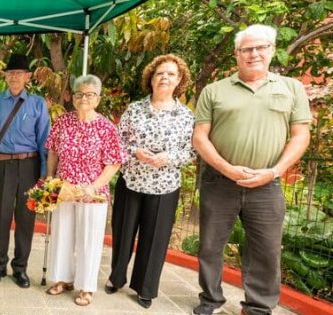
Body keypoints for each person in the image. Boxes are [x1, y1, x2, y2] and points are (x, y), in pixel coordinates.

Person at [191, 24, 311, 315]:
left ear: (272, 50)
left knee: (266, 250)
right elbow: (199, 137)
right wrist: (227, 168)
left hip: (267, 184)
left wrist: (275, 171)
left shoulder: (291, 88)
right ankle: (211, 300)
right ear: (236, 54)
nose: (254, 54)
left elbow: (300, 135)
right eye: (247, 49)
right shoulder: (215, 90)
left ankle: (257, 307)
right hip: (220, 181)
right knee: (209, 245)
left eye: (260, 47)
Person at [106, 54, 196, 309]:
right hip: (132, 181)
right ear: (151, 78)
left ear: (179, 80)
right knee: (123, 233)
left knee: (154, 238)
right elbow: (118, 141)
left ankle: (145, 288)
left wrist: (168, 157)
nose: (164, 78)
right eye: (160, 73)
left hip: (164, 186)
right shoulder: (134, 108)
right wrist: (136, 152)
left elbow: (191, 150)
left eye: (170, 74)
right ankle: (117, 278)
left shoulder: (186, 116)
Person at [43, 74, 124, 306]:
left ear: (98, 99)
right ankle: (62, 279)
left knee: (89, 239)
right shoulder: (63, 122)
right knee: (62, 234)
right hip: (64, 189)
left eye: (89, 94)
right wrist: (51, 179)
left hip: (92, 193)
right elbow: (53, 152)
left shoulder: (106, 127)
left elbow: (114, 163)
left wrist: (93, 186)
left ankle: (86, 287)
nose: (84, 98)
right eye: (79, 94)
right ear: (73, 97)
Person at [0, 53, 50, 289]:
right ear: (5, 76)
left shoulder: (38, 104)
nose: (14, 77)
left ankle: (20, 268)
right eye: (10, 73)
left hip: (28, 165)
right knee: (0, 216)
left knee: (25, 218)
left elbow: (44, 141)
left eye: (19, 73)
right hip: (1, 165)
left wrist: (44, 173)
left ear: (27, 76)